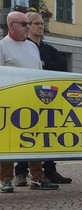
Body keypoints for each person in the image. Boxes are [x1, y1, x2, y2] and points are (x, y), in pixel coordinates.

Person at [0, 11, 59, 193]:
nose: (28, 27)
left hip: (33, 101)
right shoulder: (2, 46)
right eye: (24, 24)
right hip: (11, 102)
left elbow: (39, 74)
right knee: (8, 141)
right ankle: (6, 179)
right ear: (11, 26)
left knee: (35, 140)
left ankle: (38, 177)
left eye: (28, 24)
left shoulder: (33, 47)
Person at [14, 12, 72, 186]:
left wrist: (47, 65)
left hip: (48, 96)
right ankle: (21, 172)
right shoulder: (23, 47)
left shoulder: (49, 49)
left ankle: (50, 170)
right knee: (25, 135)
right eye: (36, 23)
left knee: (47, 134)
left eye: (42, 23)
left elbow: (62, 67)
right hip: (25, 97)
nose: (41, 26)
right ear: (28, 26)